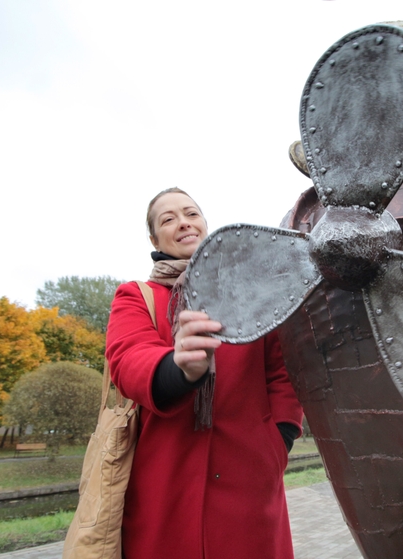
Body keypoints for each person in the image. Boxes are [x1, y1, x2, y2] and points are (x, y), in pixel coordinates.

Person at [105, 187, 303, 559]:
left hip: (251, 479)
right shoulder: (135, 296)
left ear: (205, 224)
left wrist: (279, 439)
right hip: (164, 485)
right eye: (168, 219)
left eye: (191, 213)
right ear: (154, 239)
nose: (183, 223)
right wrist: (179, 370)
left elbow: (282, 372)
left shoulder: (253, 294)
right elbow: (127, 359)